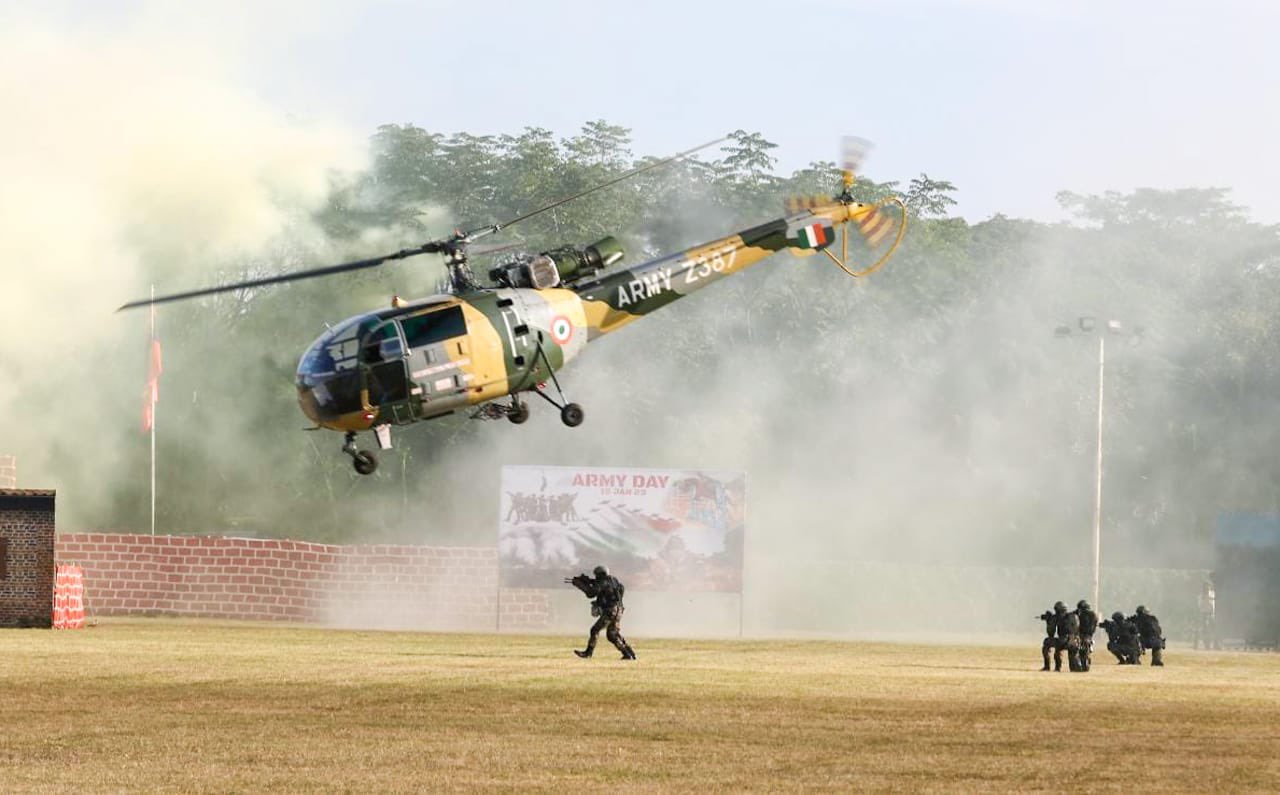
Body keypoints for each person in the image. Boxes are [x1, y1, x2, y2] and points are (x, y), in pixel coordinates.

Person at [566, 565, 636, 660]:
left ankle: (588, 653)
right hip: (618, 610)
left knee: (595, 630)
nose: (596, 577)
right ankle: (628, 653)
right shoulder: (613, 580)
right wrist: (588, 581)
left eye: (596, 575)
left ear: (600, 574)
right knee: (612, 635)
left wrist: (580, 585)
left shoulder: (603, 582)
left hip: (611, 611)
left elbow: (591, 593)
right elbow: (602, 587)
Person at [1037, 601, 1081, 672]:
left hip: (1064, 640)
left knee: (1047, 642)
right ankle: (1075, 668)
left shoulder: (1056, 617)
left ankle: (1048, 667)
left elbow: (1051, 633)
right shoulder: (1074, 616)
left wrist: (1049, 621)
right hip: (1075, 641)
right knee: (1072, 661)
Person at [1195, 576, 1220, 651]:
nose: (1207, 589)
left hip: (1211, 614)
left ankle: (1216, 645)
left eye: (1208, 587)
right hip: (1204, 614)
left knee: (1214, 629)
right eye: (1206, 587)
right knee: (1205, 630)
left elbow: (1214, 603)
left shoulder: (1212, 594)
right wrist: (1205, 599)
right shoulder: (1201, 596)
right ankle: (1207, 645)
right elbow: (1200, 606)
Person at [1075, 599, 1099, 672]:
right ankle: (1082, 666)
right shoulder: (1091, 614)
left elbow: (1089, 627)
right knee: (1082, 651)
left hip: (1085, 635)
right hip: (1085, 635)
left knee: (1083, 651)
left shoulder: (1088, 615)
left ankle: (1084, 666)